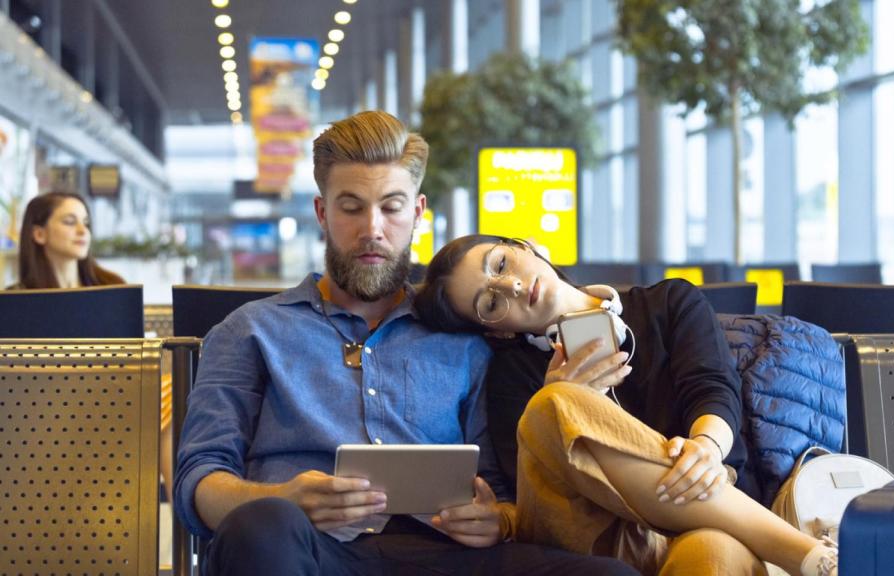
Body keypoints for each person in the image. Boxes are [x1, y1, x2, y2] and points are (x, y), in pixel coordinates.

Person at [173, 111, 636, 576]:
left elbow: (503, 490)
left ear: (416, 212)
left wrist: (498, 518)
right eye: (351, 207)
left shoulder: (465, 334)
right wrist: (280, 498)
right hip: (308, 552)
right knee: (260, 528)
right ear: (322, 213)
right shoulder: (250, 330)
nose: (372, 228)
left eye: (391, 207)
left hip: (447, 554)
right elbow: (196, 483)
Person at [414, 234, 840, 576]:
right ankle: (805, 554)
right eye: (490, 303)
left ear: (526, 246)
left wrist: (707, 446)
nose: (511, 285)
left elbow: (711, 386)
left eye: (501, 264)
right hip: (595, 535)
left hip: (710, 509)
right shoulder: (513, 375)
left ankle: (811, 563)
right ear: (499, 331)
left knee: (711, 558)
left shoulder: (668, 304)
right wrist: (563, 401)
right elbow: (525, 495)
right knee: (552, 403)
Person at [12, 192, 176, 506]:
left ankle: (185, 523)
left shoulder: (112, 288)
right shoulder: (17, 301)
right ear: (38, 233)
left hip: (112, 403)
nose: (82, 231)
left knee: (168, 391)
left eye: (86, 223)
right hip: (40, 414)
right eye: (70, 221)